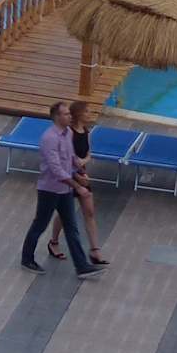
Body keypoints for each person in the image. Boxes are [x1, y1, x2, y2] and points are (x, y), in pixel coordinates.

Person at [21, 101, 103, 281]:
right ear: (57, 117)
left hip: (65, 189)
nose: (70, 116)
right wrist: (78, 186)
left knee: (71, 228)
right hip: (50, 190)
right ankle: (27, 258)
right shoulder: (50, 138)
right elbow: (56, 169)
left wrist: (79, 172)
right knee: (40, 224)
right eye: (66, 114)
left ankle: (81, 266)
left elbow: (71, 157)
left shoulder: (68, 134)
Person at [47, 100, 109, 265]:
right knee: (64, 214)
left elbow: (88, 153)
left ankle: (95, 250)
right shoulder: (69, 133)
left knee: (89, 212)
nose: (90, 114)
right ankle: (53, 241)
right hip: (70, 176)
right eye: (87, 111)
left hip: (82, 174)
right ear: (79, 113)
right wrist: (76, 170)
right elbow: (64, 158)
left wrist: (83, 161)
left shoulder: (86, 131)